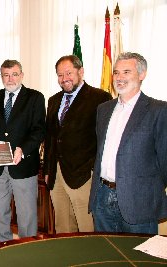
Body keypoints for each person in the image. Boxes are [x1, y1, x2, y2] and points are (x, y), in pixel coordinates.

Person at [89, 52, 167, 234]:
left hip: (139, 201)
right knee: (106, 255)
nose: (119, 78)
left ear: (142, 75)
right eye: (116, 72)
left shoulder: (159, 111)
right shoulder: (104, 109)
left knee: (137, 258)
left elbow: (164, 161)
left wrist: (146, 188)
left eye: (126, 72)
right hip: (102, 197)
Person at [43, 55, 112, 234]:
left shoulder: (100, 98)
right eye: (60, 75)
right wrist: (48, 171)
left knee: (86, 225)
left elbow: (105, 138)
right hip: (56, 173)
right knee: (62, 225)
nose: (64, 78)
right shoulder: (53, 100)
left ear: (80, 71)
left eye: (69, 73)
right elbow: (50, 137)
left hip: (83, 174)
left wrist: (92, 169)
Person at [0, 59, 46, 241]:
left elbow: (39, 130)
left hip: (23, 165)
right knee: (0, 210)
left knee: (26, 214)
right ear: (1, 76)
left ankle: (26, 249)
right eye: (6, 75)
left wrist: (23, 149)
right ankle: (3, 246)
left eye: (14, 74)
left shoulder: (35, 98)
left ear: (22, 75)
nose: (10, 79)